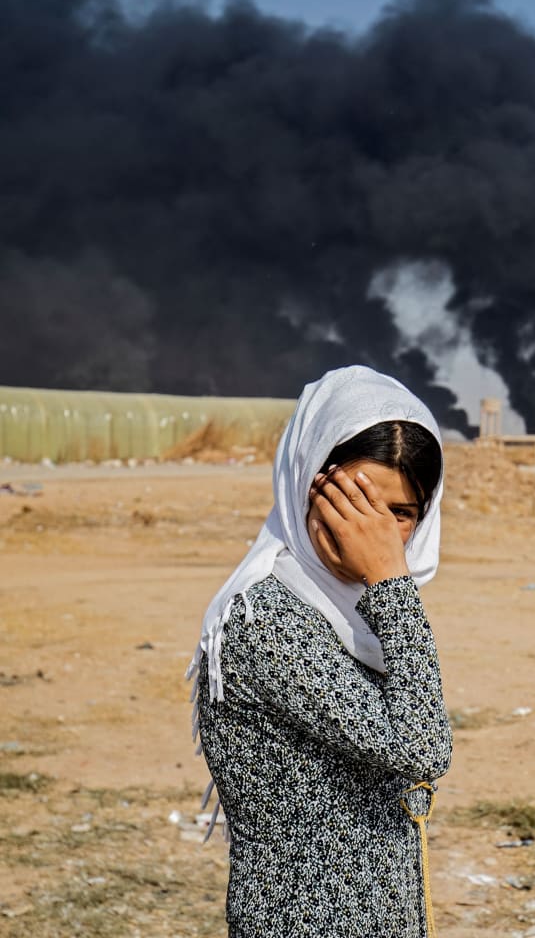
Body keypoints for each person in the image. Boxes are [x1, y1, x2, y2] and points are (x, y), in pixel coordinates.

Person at [186, 365, 452, 938]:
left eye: (399, 514)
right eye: (347, 501)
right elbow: (423, 750)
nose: (368, 532)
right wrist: (390, 583)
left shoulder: (354, 614)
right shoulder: (268, 621)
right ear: (304, 479)